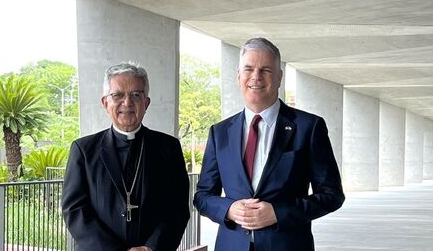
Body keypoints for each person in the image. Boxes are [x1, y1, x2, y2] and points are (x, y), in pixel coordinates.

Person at [194, 38, 345, 251]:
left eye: (265, 70)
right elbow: (202, 196)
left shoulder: (309, 127)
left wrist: (278, 213)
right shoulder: (220, 133)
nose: (256, 76)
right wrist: (229, 209)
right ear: (238, 76)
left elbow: (332, 195)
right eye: (248, 69)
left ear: (279, 77)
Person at [62, 62, 190, 251]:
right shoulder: (84, 150)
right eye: (118, 95)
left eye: (136, 95)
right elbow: (75, 210)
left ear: (146, 103)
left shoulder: (168, 148)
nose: (127, 103)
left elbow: (177, 207)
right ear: (106, 103)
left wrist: (152, 247)